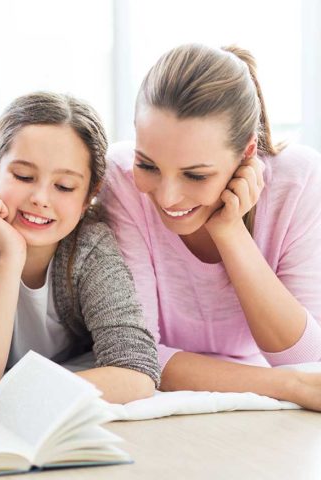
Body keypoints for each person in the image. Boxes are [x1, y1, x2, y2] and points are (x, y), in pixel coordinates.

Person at [100, 43, 321, 410]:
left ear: (247, 153)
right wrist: (289, 386)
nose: (168, 197)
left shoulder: (300, 181)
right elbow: (136, 355)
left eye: (196, 175)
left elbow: (308, 357)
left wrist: (230, 232)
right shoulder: (121, 177)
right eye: (149, 165)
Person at [0, 92, 160, 412]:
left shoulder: (91, 246)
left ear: (89, 195)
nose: (40, 198)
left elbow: (136, 372)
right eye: (24, 177)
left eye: (65, 186)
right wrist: (11, 257)